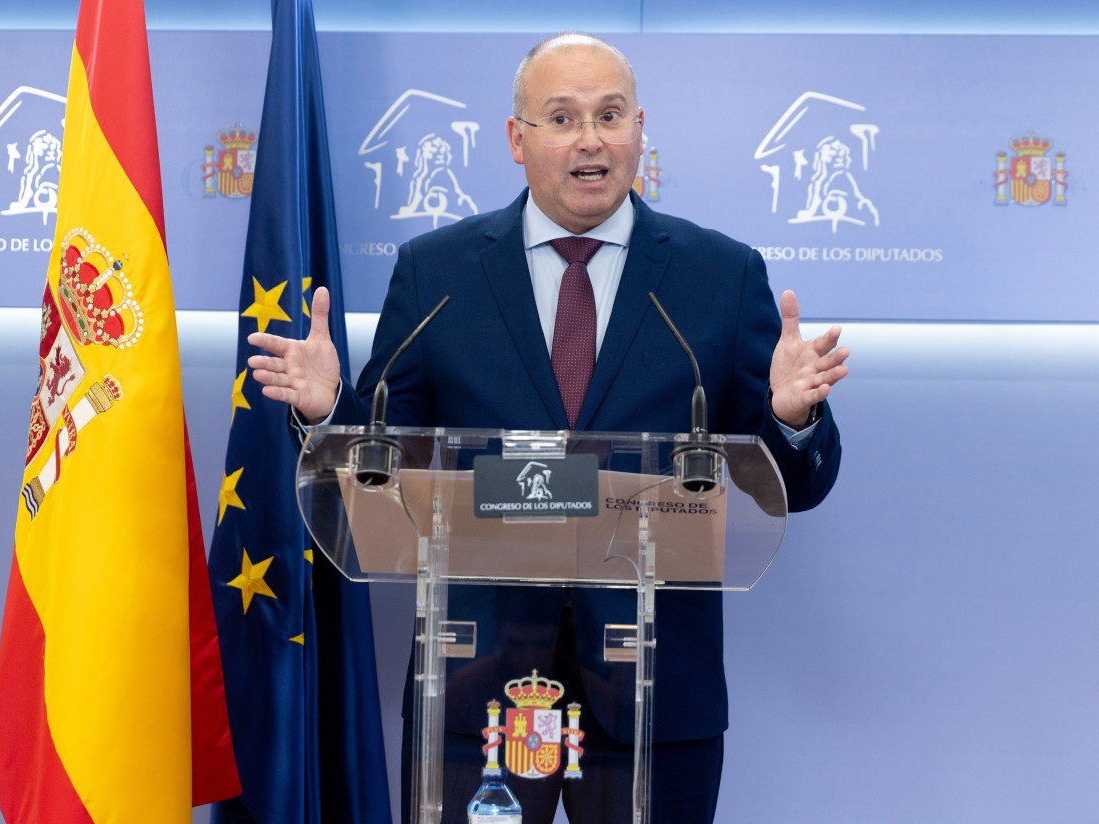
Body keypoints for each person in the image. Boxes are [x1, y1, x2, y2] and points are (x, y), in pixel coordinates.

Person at [249, 32, 848, 824]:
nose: (590, 140)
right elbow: (384, 469)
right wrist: (330, 414)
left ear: (641, 130)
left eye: (610, 115)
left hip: (656, 697)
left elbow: (792, 486)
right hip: (475, 687)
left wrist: (789, 418)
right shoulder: (438, 271)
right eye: (561, 117)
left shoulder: (719, 275)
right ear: (516, 138)